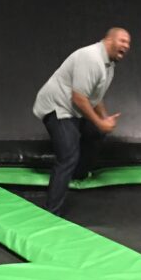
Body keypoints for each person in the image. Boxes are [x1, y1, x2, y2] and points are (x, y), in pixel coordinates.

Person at [33, 28, 130, 215]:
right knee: (68, 156)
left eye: (128, 43)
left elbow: (95, 95)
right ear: (109, 40)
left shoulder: (108, 64)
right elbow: (79, 98)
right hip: (57, 108)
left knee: (96, 132)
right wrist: (100, 122)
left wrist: (103, 118)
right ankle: (51, 212)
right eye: (122, 41)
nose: (126, 46)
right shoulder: (91, 58)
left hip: (74, 109)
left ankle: (78, 174)